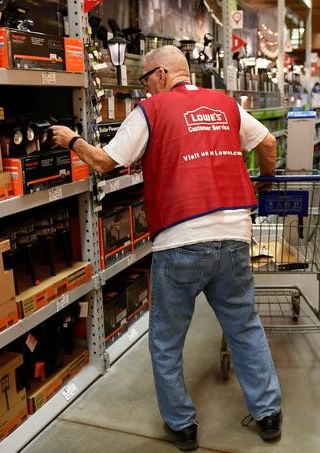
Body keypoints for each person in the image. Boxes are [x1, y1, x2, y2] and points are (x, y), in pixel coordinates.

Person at [51, 45, 282, 451]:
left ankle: (183, 426)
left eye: (145, 79)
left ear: (159, 75)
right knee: (244, 326)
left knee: (166, 339)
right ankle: (268, 415)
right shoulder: (225, 104)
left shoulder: (151, 110)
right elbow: (267, 144)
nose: (145, 87)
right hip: (233, 235)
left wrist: (73, 141)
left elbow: (106, 163)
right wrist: (263, 182)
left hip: (180, 239)